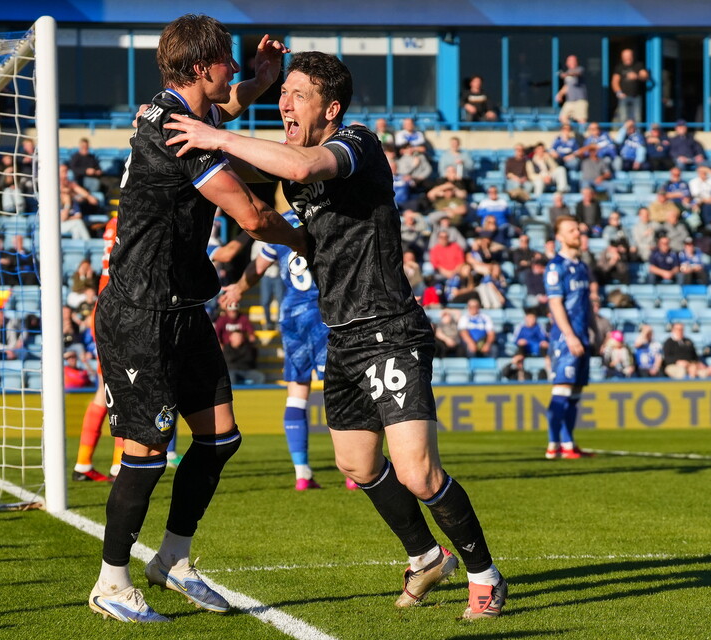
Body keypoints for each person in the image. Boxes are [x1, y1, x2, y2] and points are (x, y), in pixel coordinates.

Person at [166, 50, 506, 619]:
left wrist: (215, 136)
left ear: (331, 108)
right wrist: (187, 127)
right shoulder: (290, 156)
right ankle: (426, 556)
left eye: (298, 95)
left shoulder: (357, 143)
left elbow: (301, 168)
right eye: (283, 94)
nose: (285, 104)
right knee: (357, 465)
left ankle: (485, 576)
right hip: (340, 335)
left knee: (418, 473)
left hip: (388, 328)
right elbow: (248, 168)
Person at [87, 16, 304, 624]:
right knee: (146, 453)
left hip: (181, 306)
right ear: (201, 66)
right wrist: (312, 243)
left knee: (220, 438)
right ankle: (110, 582)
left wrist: (262, 80)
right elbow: (253, 216)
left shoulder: (178, 112)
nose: (233, 68)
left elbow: (223, 109)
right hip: (142, 312)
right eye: (228, 60)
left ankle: (173, 559)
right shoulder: (176, 132)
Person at [219, 210, 349, 491]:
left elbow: (258, 266)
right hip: (324, 313)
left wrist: (238, 289)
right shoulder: (326, 215)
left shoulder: (281, 221)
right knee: (341, 390)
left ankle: (302, 474)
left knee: (297, 393)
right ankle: (354, 471)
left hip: (291, 315)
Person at [73, 219, 125, 484]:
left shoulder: (113, 221)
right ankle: (119, 466)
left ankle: (84, 464)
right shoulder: (135, 215)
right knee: (125, 390)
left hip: (104, 308)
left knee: (105, 390)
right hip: (119, 310)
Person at [544, 215, 594, 460]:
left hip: (582, 336)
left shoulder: (582, 267)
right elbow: (555, 304)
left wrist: (591, 331)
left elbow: (586, 305)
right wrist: (570, 335)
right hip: (566, 339)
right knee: (562, 389)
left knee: (575, 393)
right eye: (571, 230)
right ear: (560, 237)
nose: (577, 233)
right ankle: (554, 445)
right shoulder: (556, 267)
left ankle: (568, 444)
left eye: (578, 229)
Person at [611, 48, 648, 123]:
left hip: (636, 96)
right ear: (622, 57)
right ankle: (624, 130)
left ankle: (637, 131)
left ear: (632, 56)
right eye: (625, 56)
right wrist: (619, 93)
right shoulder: (619, 67)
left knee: (637, 118)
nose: (627, 58)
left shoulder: (638, 65)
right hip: (624, 97)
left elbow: (645, 75)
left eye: (629, 56)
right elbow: (615, 81)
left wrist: (637, 76)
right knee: (623, 118)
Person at [556, 54, 588, 125]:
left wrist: (566, 74)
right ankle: (571, 130)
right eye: (570, 61)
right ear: (567, 63)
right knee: (563, 117)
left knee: (581, 120)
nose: (572, 62)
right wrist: (560, 94)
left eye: (573, 61)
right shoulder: (567, 72)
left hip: (580, 100)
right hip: (569, 101)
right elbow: (567, 86)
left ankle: (584, 132)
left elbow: (577, 73)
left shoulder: (580, 69)